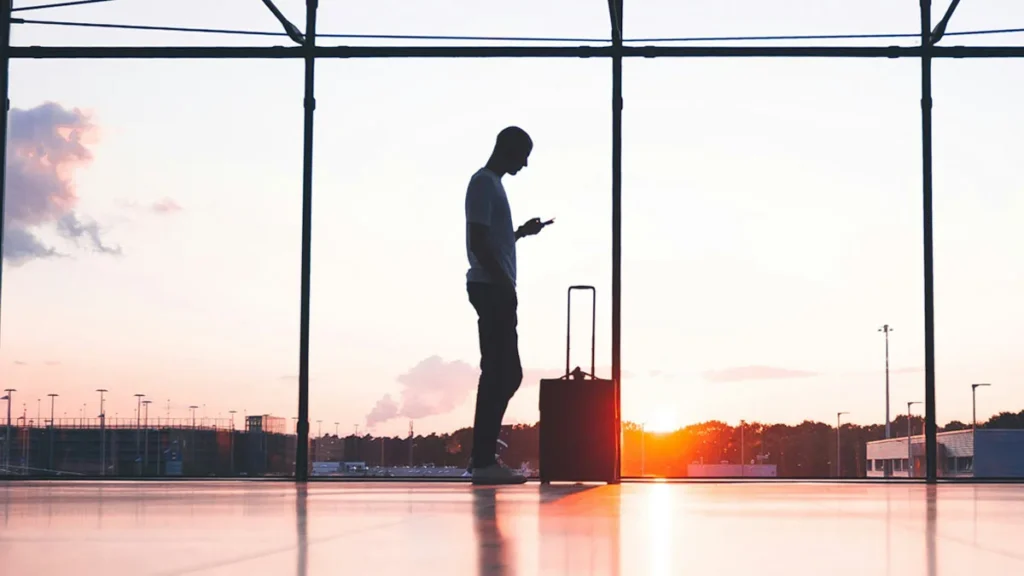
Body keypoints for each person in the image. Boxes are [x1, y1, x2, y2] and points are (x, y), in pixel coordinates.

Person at [464, 126, 551, 485]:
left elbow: (490, 239)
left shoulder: (491, 185)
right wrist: (502, 282)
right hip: (492, 287)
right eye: (523, 155)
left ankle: (483, 456)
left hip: (493, 286)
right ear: (507, 149)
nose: (526, 164)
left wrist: (519, 234)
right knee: (501, 373)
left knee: (502, 373)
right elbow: (478, 241)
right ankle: (483, 459)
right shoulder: (484, 183)